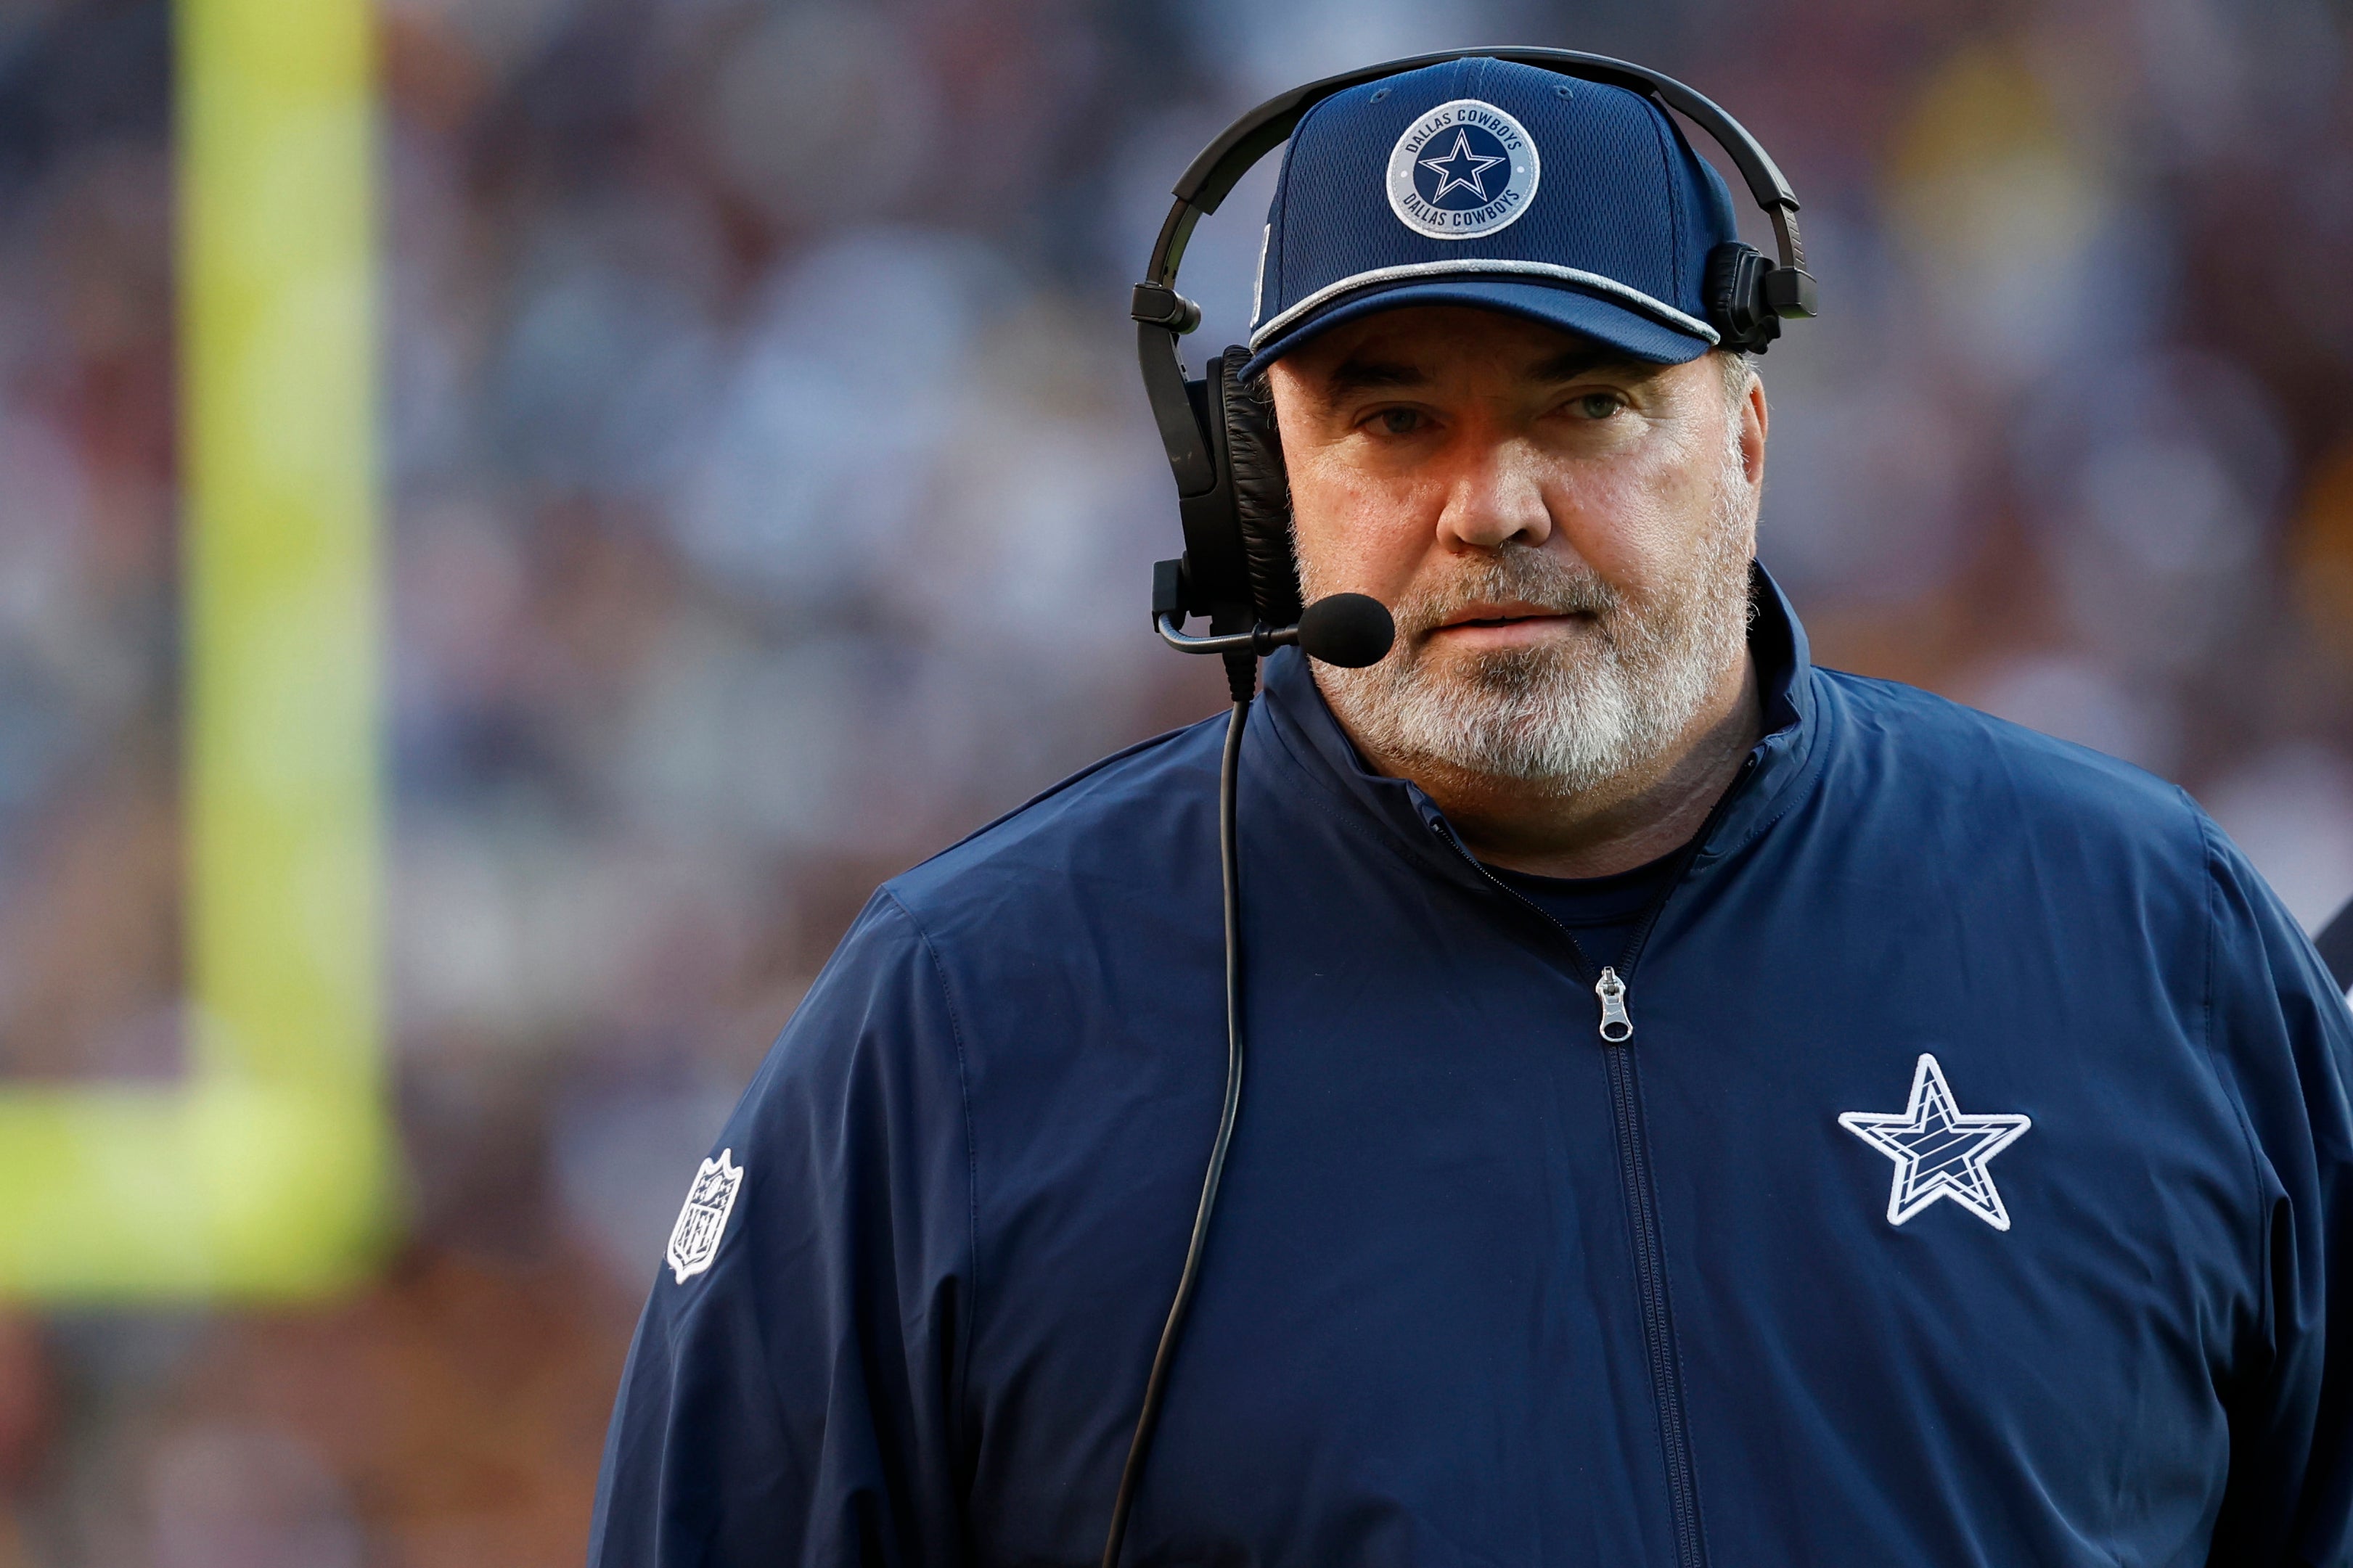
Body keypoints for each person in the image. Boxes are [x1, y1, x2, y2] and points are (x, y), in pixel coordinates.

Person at [587, 56, 2353, 1566]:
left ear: (1744, 434)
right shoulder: (959, 1026)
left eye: (1587, 405)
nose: (1491, 504)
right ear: (1262, 482)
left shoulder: (2144, 927)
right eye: (1394, 419)